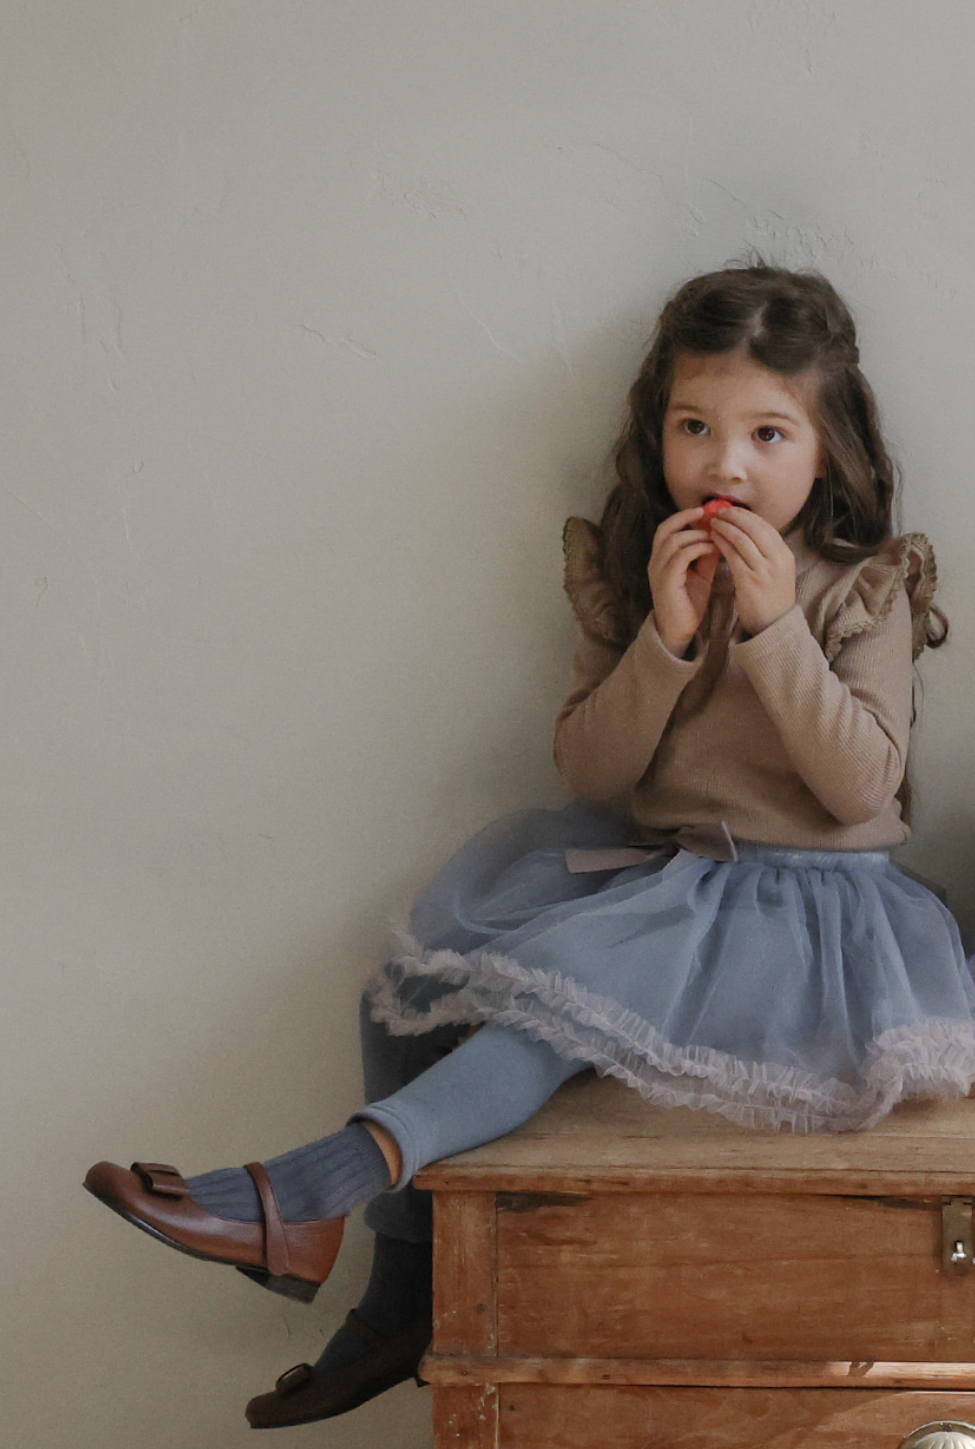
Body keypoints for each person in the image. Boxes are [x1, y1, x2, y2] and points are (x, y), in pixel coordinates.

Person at [84, 264, 975, 1430]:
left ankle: (309, 1189)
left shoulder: (863, 586)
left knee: (549, 1015)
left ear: (829, 447)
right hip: (667, 876)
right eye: (694, 428)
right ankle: (402, 1296)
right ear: (657, 433)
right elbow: (593, 773)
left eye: (768, 433)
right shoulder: (638, 570)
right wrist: (663, 639)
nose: (726, 465)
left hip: (809, 915)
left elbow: (862, 784)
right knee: (402, 989)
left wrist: (770, 629)